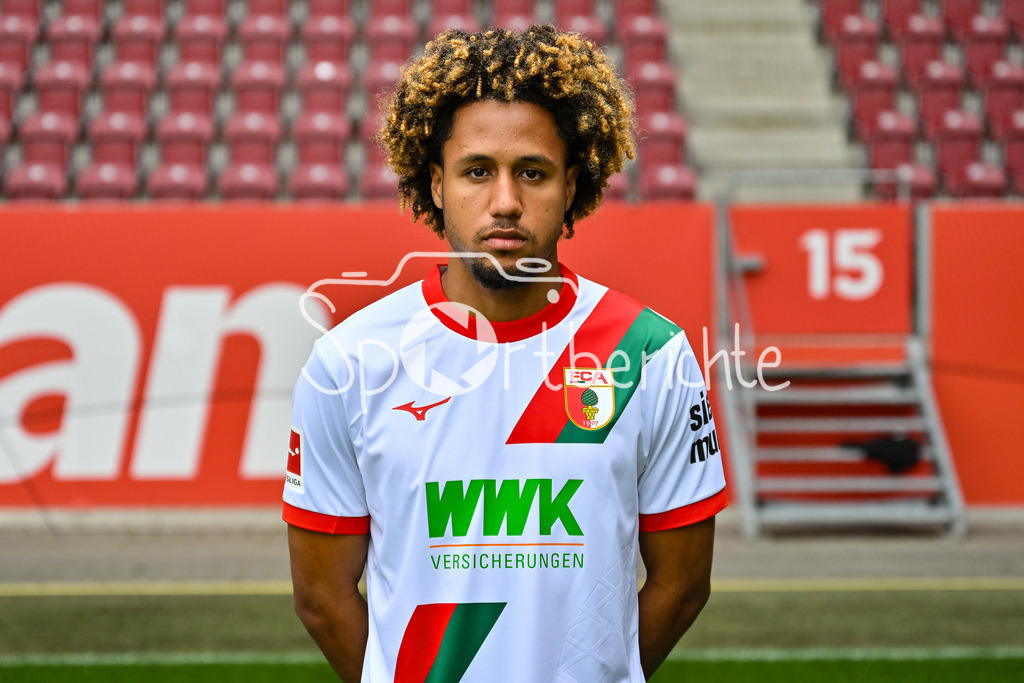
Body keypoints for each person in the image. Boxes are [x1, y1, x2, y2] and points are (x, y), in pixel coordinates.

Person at [283, 25, 727, 682]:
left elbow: (683, 584)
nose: (505, 202)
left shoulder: (651, 352)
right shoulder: (350, 362)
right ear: (435, 184)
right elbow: (322, 598)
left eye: (533, 173)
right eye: (477, 171)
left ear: (571, 185)